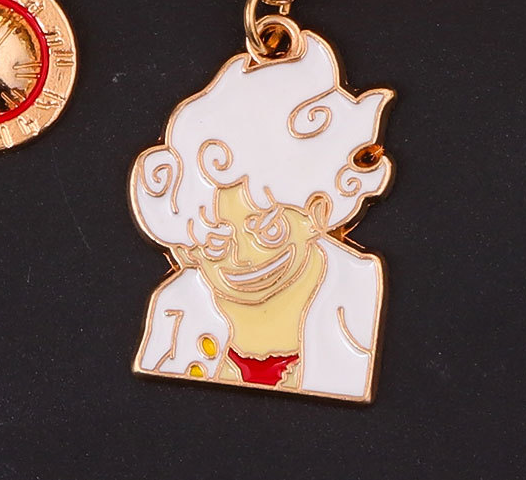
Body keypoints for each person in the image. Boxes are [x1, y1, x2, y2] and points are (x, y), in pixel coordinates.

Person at [129, 32, 393, 400]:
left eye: (268, 230)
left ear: (317, 212)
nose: (241, 259)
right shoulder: (175, 308)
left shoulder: (358, 294)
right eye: (216, 242)